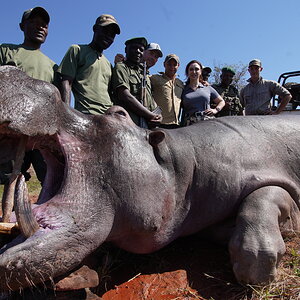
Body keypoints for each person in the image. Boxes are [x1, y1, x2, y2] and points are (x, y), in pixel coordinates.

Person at [0, 7, 57, 185]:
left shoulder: (52, 66)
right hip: (13, 129)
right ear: (22, 26)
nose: (40, 27)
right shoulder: (7, 51)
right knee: (7, 175)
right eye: (34, 23)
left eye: (44, 25)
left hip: (41, 132)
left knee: (49, 176)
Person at [57, 14, 120, 115]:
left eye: (112, 34)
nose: (108, 36)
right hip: (86, 114)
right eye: (105, 31)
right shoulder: (77, 50)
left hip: (108, 117)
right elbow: (66, 83)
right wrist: (66, 113)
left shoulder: (108, 64)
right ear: (95, 29)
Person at [112, 37, 162, 128]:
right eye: (151, 53)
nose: (138, 51)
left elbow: (149, 98)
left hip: (145, 125)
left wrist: (158, 116)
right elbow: (124, 95)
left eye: (156, 57)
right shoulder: (122, 67)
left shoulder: (145, 75)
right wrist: (149, 115)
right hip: (127, 124)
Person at [181, 60, 225, 126]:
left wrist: (215, 110)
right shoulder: (183, 89)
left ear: (201, 71)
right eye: (191, 69)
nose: (194, 72)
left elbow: (221, 101)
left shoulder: (207, 88)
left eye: (197, 69)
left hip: (207, 123)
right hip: (189, 125)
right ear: (187, 72)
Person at [150, 54, 184, 129]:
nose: (172, 67)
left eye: (174, 65)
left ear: (178, 65)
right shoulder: (154, 78)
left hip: (176, 125)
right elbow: (140, 75)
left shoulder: (181, 83)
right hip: (159, 123)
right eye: (169, 64)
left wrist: (203, 82)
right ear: (164, 64)